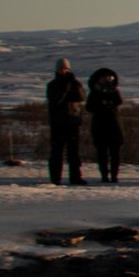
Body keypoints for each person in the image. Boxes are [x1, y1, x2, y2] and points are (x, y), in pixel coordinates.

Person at [46, 58, 86, 186]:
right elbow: (55, 101)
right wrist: (64, 90)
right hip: (58, 122)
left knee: (74, 152)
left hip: (73, 121)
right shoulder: (52, 85)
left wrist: (73, 85)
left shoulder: (75, 83)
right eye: (61, 69)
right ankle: (55, 178)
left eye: (65, 69)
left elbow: (81, 97)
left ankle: (75, 177)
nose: (63, 71)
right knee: (57, 152)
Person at [87, 67, 124, 184]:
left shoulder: (114, 91)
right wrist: (100, 99)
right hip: (100, 124)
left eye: (109, 78)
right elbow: (89, 107)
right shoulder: (94, 92)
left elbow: (119, 101)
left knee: (115, 152)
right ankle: (104, 175)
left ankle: (114, 175)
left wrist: (111, 92)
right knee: (102, 152)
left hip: (113, 124)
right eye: (104, 78)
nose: (107, 80)